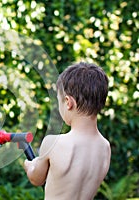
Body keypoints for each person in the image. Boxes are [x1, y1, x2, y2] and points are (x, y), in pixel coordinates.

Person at [23, 62, 111, 200]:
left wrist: (29, 165)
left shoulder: (54, 143)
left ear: (68, 102)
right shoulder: (105, 147)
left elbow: (36, 179)